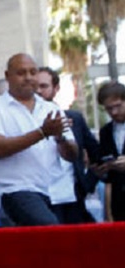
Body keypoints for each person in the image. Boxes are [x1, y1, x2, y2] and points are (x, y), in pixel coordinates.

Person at [0, 53, 78, 226]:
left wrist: (60, 137)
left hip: (52, 192)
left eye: (33, 72)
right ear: (8, 76)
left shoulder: (51, 108)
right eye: (21, 73)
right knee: (52, 233)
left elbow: (73, 155)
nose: (28, 77)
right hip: (14, 191)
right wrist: (42, 132)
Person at [36, 66, 99, 223]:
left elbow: (97, 153)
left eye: (43, 86)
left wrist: (88, 182)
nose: (38, 91)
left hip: (72, 197)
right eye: (35, 86)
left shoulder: (74, 119)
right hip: (39, 198)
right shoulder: (22, 119)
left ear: (56, 88)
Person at [94, 81, 125, 222]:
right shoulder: (106, 131)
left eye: (118, 106)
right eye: (108, 109)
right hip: (119, 202)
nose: (114, 112)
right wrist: (102, 170)